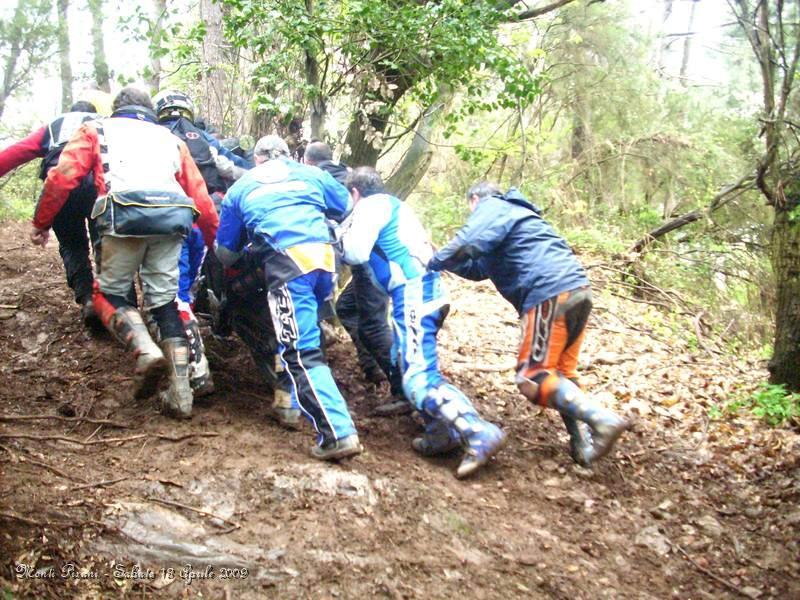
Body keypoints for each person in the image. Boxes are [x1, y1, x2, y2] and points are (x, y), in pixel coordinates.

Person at [31, 87, 219, 419]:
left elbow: (62, 177)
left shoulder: (95, 129)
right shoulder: (171, 139)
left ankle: (144, 349)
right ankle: (181, 395)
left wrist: (42, 221)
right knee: (165, 304)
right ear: (149, 110)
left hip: (123, 215)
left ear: (117, 109)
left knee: (107, 296)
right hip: (172, 219)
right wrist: (212, 239)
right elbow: (201, 198)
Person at [428, 182, 630, 466]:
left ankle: (603, 420)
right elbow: (478, 269)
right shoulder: (519, 218)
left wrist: (433, 260)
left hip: (547, 292)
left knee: (532, 377)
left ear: (474, 200)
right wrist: (448, 262)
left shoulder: (494, 207)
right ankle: (582, 445)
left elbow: (467, 242)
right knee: (561, 373)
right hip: (577, 290)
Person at [339, 167, 506, 479]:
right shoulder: (395, 206)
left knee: (417, 377)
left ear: (355, 193)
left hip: (414, 292)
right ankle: (440, 429)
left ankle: (477, 429)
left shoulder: (370, 206)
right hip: (422, 289)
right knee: (405, 362)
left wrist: (337, 236)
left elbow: (357, 251)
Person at [215, 135, 361, 461]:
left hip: (286, 265)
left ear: (256, 159)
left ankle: (337, 432)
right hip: (325, 261)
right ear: (288, 154)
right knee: (301, 333)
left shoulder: (241, 188)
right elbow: (346, 206)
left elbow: (225, 254)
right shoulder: (311, 174)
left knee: (300, 351)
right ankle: (290, 404)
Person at [152, 90, 251, 396]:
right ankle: (213, 327)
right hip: (207, 214)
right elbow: (235, 166)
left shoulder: (154, 137)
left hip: (167, 217)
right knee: (194, 282)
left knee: (176, 291)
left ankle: (196, 369)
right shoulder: (204, 138)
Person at [303, 142, 406, 414]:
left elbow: (356, 251)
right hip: (377, 269)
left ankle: (403, 388)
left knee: (374, 326)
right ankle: (374, 368)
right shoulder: (352, 180)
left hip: (376, 269)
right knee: (347, 308)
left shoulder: (361, 202)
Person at [0, 99, 103, 327]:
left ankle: (87, 299)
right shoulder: (104, 124)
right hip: (98, 186)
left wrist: (42, 222)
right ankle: (114, 300)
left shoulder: (54, 127)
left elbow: (15, 153)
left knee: (72, 245)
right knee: (104, 243)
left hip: (60, 186)